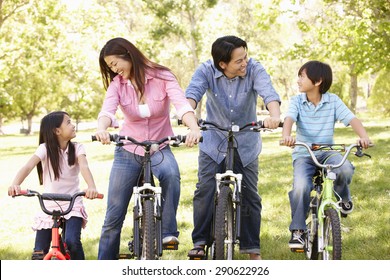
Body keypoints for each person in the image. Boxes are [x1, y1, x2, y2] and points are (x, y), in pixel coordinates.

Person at [94, 37, 201, 260]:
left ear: (128, 54)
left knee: (171, 175)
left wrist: (194, 128)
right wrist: (102, 129)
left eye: (115, 63)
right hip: (128, 150)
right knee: (113, 216)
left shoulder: (163, 76)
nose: (114, 70)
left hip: (159, 146)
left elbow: (181, 105)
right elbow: (107, 111)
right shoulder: (118, 85)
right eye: (110, 67)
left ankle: (167, 232)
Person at [185, 35, 282, 260]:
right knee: (204, 190)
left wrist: (274, 115)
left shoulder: (254, 68)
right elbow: (192, 95)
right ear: (222, 64)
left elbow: (268, 92)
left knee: (250, 194)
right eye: (239, 60)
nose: (244, 63)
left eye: (245, 57)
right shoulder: (206, 70)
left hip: (246, 140)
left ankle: (251, 248)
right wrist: (188, 117)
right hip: (214, 139)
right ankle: (200, 241)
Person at [281, 60, 372, 249]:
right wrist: (286, 135)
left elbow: (351, 119)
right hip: (304, 154)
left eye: (302, 76)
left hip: (328, 152)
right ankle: (298, 231)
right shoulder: (297, 101)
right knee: (301, 186)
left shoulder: (333, 101)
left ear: (317, 81)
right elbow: (289, 118)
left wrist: (363, 137)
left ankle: (342, 198)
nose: (298, 80)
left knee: (345, 168)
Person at [8, 111, 100, 260]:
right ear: (57, 131)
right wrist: (15, 184)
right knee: (39, 252)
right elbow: (28, 166)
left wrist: (92, 187)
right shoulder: (45, 149)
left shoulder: (77, 148)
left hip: (72, 203)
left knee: (72, 242)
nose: (73, 125)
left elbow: (84, 167)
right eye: (68, 122)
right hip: (49, 205)